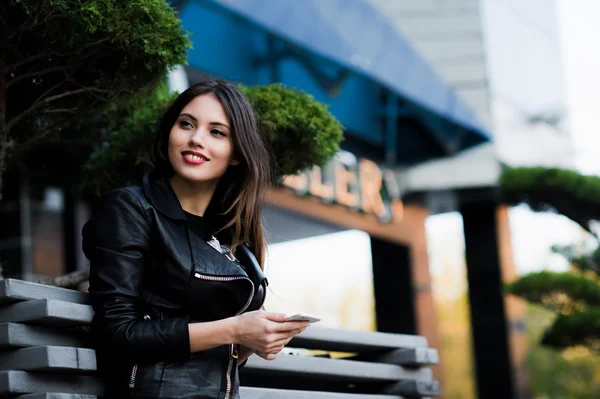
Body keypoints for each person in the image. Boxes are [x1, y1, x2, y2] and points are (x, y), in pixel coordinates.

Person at [82, 80, 310, 398]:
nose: (195, 139)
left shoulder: (232, 237)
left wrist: (251, 343)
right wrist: (234, 328)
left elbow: (216, 357)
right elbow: (118, 334)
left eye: (216, 132)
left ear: (236, 154)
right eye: (186, 124)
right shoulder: (132, 209)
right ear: (169, 133)